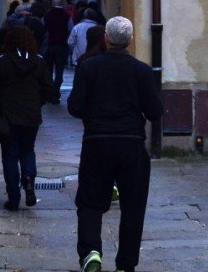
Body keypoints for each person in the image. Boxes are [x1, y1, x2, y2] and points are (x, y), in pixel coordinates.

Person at [67, 16, 163, 272]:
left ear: (106, 39)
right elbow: (155, 111)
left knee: (89, 202)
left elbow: (75, 107)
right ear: (130, 40)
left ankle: (91, 252)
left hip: (96, 142)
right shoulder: (142, 70)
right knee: (133, 206)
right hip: (131, 143)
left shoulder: (89, 68)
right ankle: (125, 264)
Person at [0, 24, 58, 211]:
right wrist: (37, 102)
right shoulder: (38, 61)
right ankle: (29, 183)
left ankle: (13, 198)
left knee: (9, 155)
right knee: (27, 150)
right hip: (31, 115)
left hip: (8, 116)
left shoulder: (2, 60)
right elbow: (49, 89)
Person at [44, 0, 73, 100]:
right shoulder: (66, 16)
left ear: (52, 4)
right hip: (61, 45)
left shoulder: (47, 15)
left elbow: (45, 30)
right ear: (61, 3)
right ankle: (56, 93)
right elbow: (70, 30)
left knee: (48, 71)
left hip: (50, 45)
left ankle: (49, 93)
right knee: (59, 72)